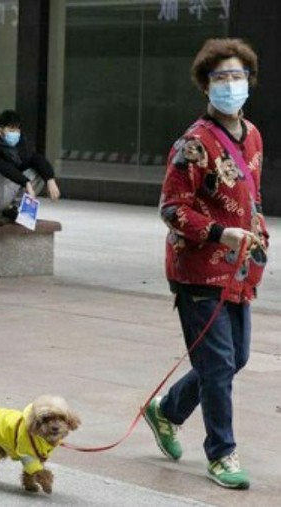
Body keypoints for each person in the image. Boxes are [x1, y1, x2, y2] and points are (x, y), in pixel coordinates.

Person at [144, 38, 268, 490]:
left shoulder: (252, 135)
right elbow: (171, 207)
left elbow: (251, 197)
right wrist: (220, 233)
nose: (230, 85)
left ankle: (167, 410)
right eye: (221, 78)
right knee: (218, 367)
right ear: (205, 87)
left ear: (249, 81)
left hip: (239, 270)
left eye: (237, 76)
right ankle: (222, 454)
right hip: (197, 271)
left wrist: (257, 237)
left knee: (235, 359)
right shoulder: (192, 145)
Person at [0, 109, 61, 225]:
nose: (16, 133)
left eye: (17, 129)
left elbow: (35, 158)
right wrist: (26, 182)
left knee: (39, 172)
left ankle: (12, 208)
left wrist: (50, 179)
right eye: (11, 129)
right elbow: (3, 166)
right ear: (0, 131)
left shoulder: (19, 145)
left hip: (4, 192)